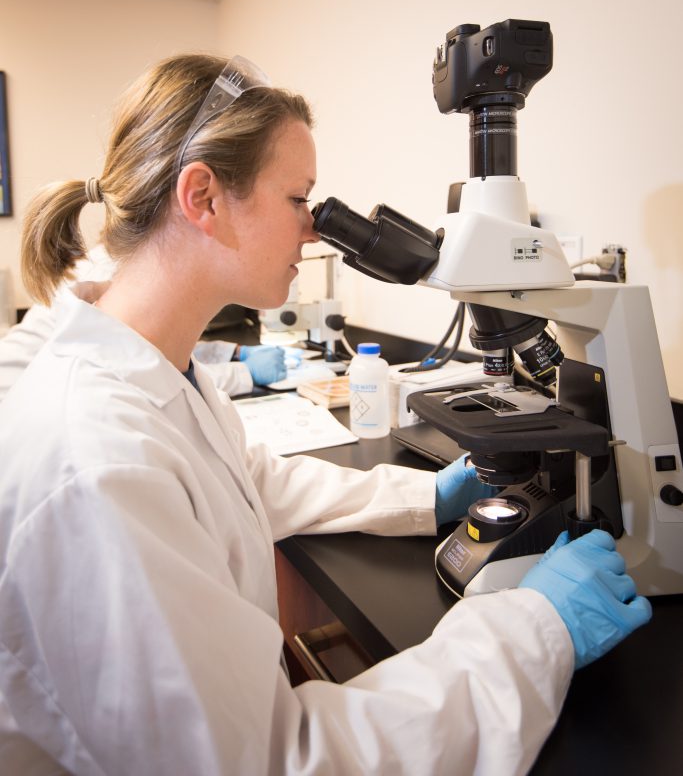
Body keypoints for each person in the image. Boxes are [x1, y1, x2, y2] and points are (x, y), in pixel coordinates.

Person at [0, 52, 651, 775]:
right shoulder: (98, 462)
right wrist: (537, 628)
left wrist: (423, 496)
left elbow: (252, 483)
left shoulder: (153, 373)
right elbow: (270, 762)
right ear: (204, 199)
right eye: (297, 197)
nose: (314, 229)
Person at [0, 245, 287, 403]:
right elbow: (151, 376)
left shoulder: (127, 262)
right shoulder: (123, 274)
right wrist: (244, 373)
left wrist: (232, 353)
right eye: (296, 199)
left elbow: (155, 349)